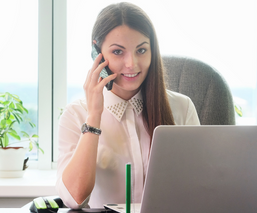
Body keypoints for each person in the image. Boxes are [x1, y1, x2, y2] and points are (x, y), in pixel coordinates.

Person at [56, 2, 200, 209]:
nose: (131, 63)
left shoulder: (182, 108)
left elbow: (202, 186)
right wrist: (94, 116)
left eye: (141, 50)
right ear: (97, 51)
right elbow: (74, 198)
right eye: (117, 52)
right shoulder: (76, 115)